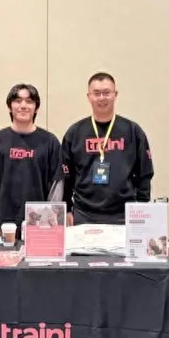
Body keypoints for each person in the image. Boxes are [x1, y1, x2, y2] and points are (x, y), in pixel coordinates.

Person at [61, 72, 154, 226]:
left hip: (124, 215)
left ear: (115, 94)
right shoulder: (75, 133)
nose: (102, 98)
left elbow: (145, 173)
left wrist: (141, 209)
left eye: (106, 92)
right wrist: (67, 208)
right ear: (89, 96)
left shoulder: (132, 131)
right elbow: (65, 176)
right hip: (84, 214)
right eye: (97, 93)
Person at [0, 84, 63, 240]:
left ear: (36, 108)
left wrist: (50, 220)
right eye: (18, 101)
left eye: (29, 101)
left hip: (39, 225)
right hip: (3, 225)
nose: (23, 106)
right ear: (9, 106)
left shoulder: (50, 142)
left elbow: (56, 186)